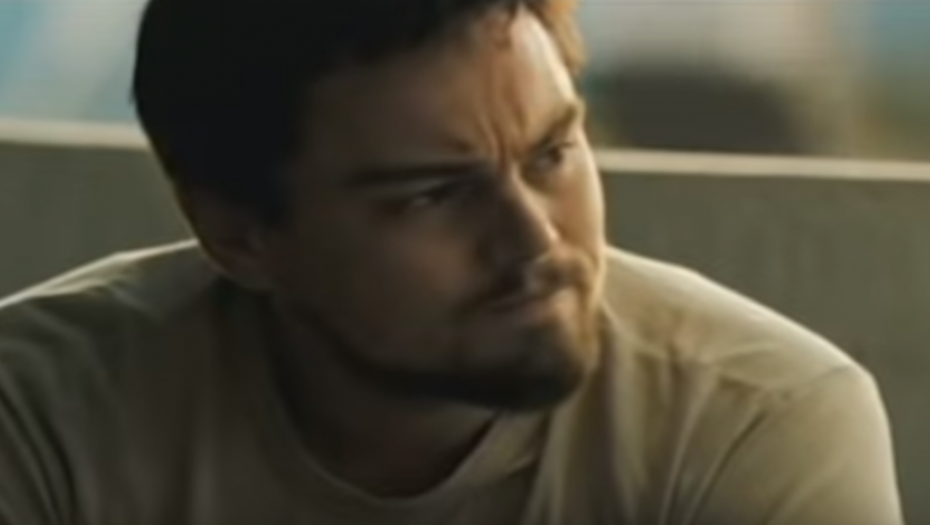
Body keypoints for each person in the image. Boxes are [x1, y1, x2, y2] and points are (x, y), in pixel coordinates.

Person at [0, 0, 904, 523]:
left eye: (553, 153)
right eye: (430, 194)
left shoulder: (754, 424)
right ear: (237, 232)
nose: (536, 241)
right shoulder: (43, 415)